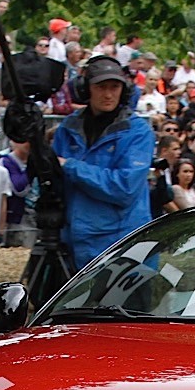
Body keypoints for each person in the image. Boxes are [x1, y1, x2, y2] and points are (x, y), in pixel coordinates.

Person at [50, 55, 154, 267]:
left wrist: (71, 166)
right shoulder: (68, 127)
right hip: (75, 242)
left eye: (114, 87)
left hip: (123, 246)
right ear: (85, 89)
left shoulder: (138, 131)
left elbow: (124, 188)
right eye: (100, 87)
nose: (108, 94)